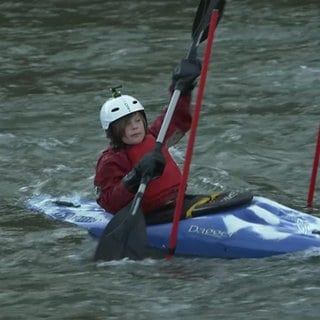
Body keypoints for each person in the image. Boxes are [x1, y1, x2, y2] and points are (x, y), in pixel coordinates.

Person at [94, 58, 202, 221]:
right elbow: (108, 202)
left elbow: (176, 117)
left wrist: (182, 88)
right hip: (145, 214)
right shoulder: (111, 160)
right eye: (126, 124)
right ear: (113, 132)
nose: (135, 127)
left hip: (176, 202)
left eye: (138, 121)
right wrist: (135, 176)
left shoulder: (154, 136)